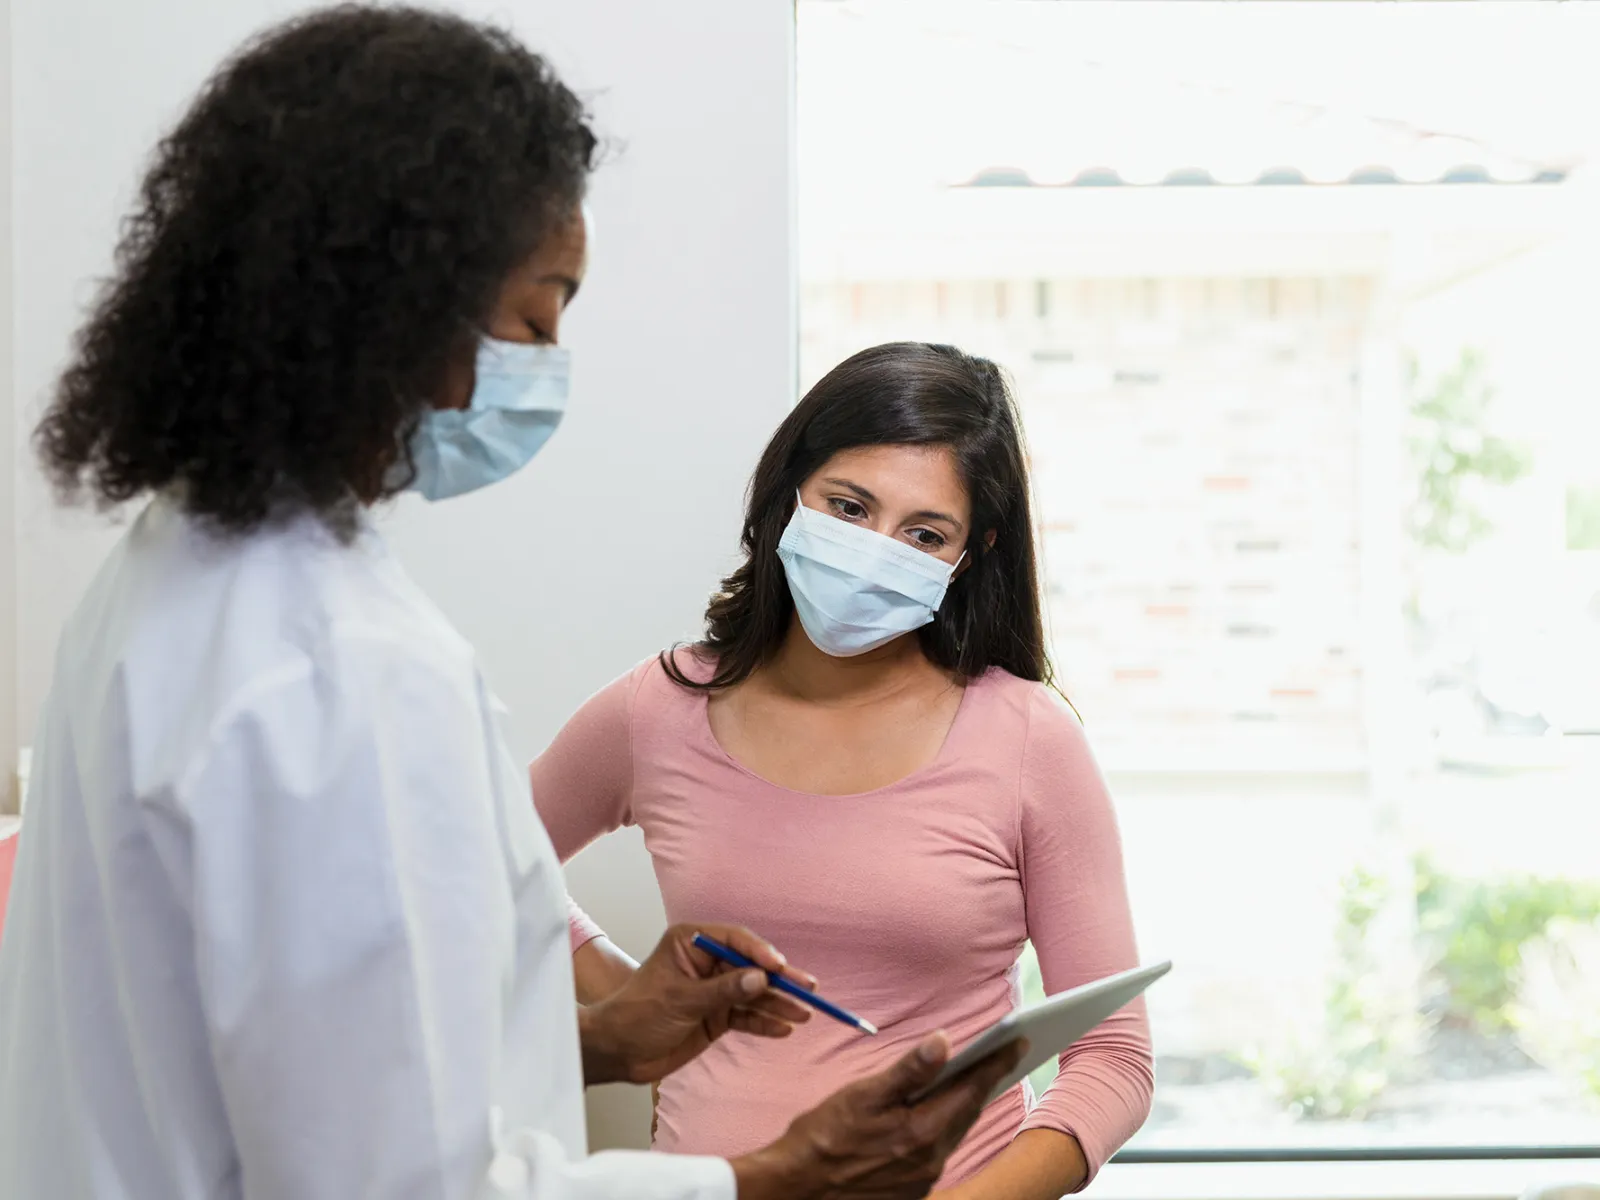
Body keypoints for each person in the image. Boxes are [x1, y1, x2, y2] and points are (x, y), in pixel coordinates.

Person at [0, 10, 1022, 1200]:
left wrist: (595, 1036)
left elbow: (299, 1053)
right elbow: (404, 1185)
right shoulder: (339, 669)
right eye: (538, 312)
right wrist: (776, 1177)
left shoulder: (168, 579)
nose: (546, 357)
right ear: (400, 303)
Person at [531, 341, 1156, 1199]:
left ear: (969, 556)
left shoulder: (1027, 741)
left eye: (924, 533)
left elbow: (1114, 1061)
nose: (874, 550)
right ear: (790, 492)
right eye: (850, 506)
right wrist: (630, 1004)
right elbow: (481, 864)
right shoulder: (658, 708)